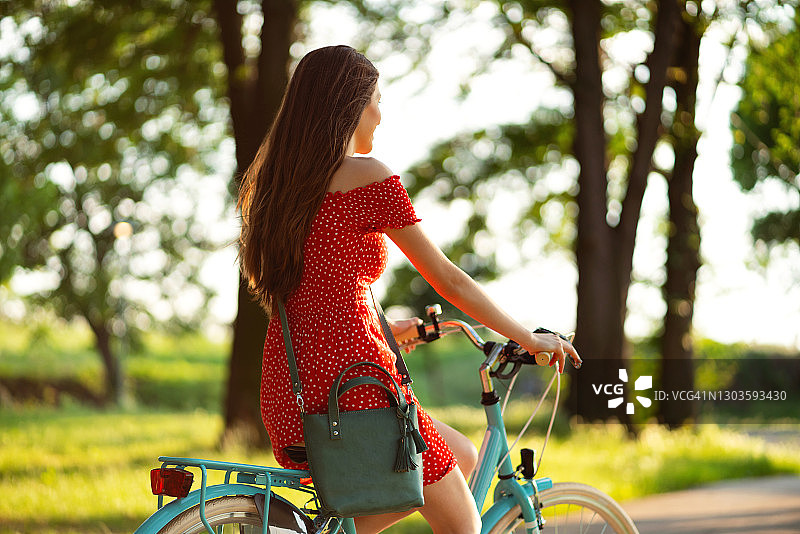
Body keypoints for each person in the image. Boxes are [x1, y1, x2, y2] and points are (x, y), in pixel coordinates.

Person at [237, 45, 581, 534]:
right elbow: (448, 278)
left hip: (291, 389)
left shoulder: (276, 191)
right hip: (357, 388)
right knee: (464, 525)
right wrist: (528, 337)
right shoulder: (367, 177)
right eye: (376, 101)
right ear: (349, 105)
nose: (380, 115)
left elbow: (309, 295)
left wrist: (383, 328)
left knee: (460, 455)